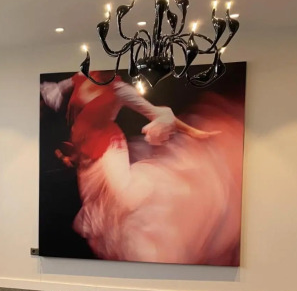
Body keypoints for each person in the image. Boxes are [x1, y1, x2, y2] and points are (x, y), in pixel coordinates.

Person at [40, 72, 242, 265]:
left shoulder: (119, 90)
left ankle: (169, 202)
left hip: (110, 149)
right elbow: (56, 96)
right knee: (105, 213)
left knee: (127, 198)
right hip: (86, 158)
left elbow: (155, 112)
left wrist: (196, 133)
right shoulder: (80, 78)